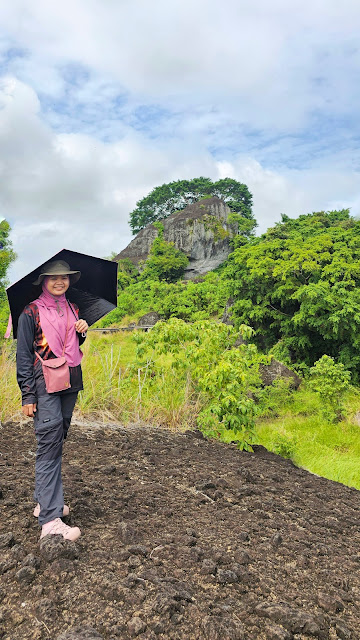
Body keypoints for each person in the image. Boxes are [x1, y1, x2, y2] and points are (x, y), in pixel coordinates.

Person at [16, 260, 88, 542]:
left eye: (65, 278)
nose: (60, 282)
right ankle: (50, 521)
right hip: (43, 383)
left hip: (70, 380)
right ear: (43, 280)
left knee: (56, 440)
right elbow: (23, 355)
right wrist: (27, 393)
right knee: (48, 443)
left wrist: (81, 331)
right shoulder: (30, 312)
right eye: (54, 278)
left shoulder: (73, 308)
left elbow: (72, 343)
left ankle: (45, 502)